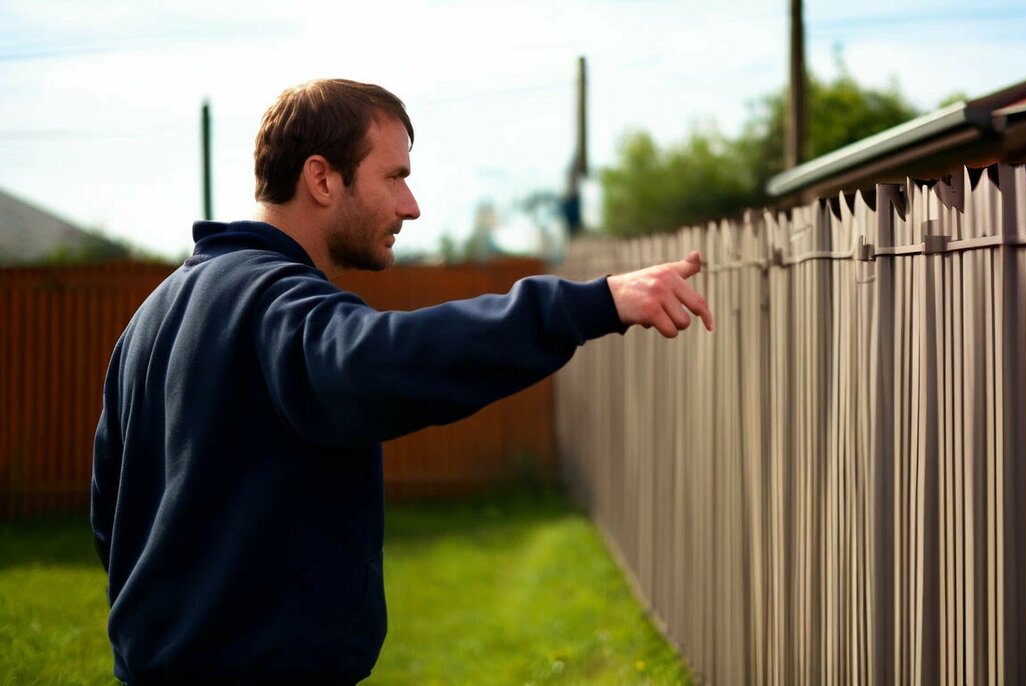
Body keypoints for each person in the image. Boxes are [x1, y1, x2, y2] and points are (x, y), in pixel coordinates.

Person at [90, 78, 712, 685]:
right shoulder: (275, 303)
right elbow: (388, 361)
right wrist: (593, 304)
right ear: (322, 178)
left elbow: (110, 517)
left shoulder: (149, 319)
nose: (410, 206)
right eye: (395, 177)